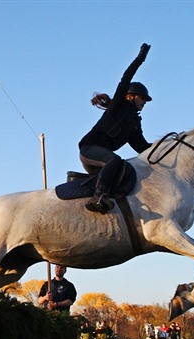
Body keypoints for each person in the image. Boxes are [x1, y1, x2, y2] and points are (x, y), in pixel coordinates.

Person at [78, 43, 153, 214]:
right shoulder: (119, 105)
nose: (144, 102)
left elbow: (143, 148)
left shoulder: (134, 123)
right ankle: (98, 196)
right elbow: (126, 78)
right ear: (130, 96)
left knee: (126, 167)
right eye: (142, 98)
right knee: (115, 160)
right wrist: (140, 59)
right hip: (89, 150)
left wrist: (168, 145)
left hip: (103, 161)